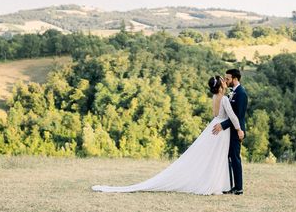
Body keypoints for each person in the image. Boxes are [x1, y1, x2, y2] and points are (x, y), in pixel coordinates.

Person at [91, 76, 244, 195]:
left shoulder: (215, 98)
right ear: (220, 86)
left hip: (213, 126)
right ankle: (215, 184)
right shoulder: (223, 98)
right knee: (217, 157)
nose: (225, 82)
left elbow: (216, 115)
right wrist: (238, 129)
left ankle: (216, 183)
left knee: (213, 157)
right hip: (221, 130)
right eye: (223, 81)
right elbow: (232, 116)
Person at [212, 69, 248, 195]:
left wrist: (223, 125)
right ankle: (230, 185)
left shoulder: (241, 93)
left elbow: (237, 116)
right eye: (225, 79)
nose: (226, 80)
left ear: (235, 79)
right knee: (227, 158)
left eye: (228, 78)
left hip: (236, 131)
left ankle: (239, 188)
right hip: (228, 131)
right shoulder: (231, 93)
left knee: (235, 158)